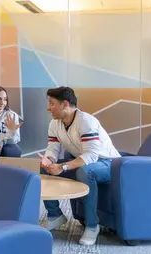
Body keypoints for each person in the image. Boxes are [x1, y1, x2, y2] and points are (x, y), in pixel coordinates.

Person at [37, 86, 121, 245]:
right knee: (44, 168)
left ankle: (92, 225)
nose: (49, 108)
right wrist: (49, 160)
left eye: (52, 103)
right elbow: (53, 147)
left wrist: (62, 167)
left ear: (65, 104)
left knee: (85, 172)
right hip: (83, 161)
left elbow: (91, 155)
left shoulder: (86, 121)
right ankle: (55, 216)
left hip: (109, 164)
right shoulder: (55, 123)